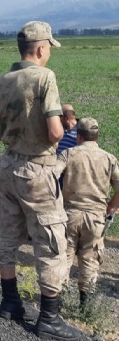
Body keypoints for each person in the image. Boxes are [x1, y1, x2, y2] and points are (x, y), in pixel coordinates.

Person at [0, 21, 81, 341]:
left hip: (8, 168)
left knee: (9, 236)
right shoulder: (45, 77)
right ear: (42, 49)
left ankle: (10, 301)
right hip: (37, 169)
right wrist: (68, 126)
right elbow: (55, 133)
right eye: (49, 49)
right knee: (51, 243)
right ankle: (49, 318)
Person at [57, 118, 119, 311]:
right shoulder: (109, 159)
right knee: (90, 259)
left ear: (79, 136)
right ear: (96, 136)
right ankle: (85, 307)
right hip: (95, 217)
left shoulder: (68, 154)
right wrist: (110, 206)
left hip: (69, 214)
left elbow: (51, 176)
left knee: (64, 258)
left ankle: (57, 304)